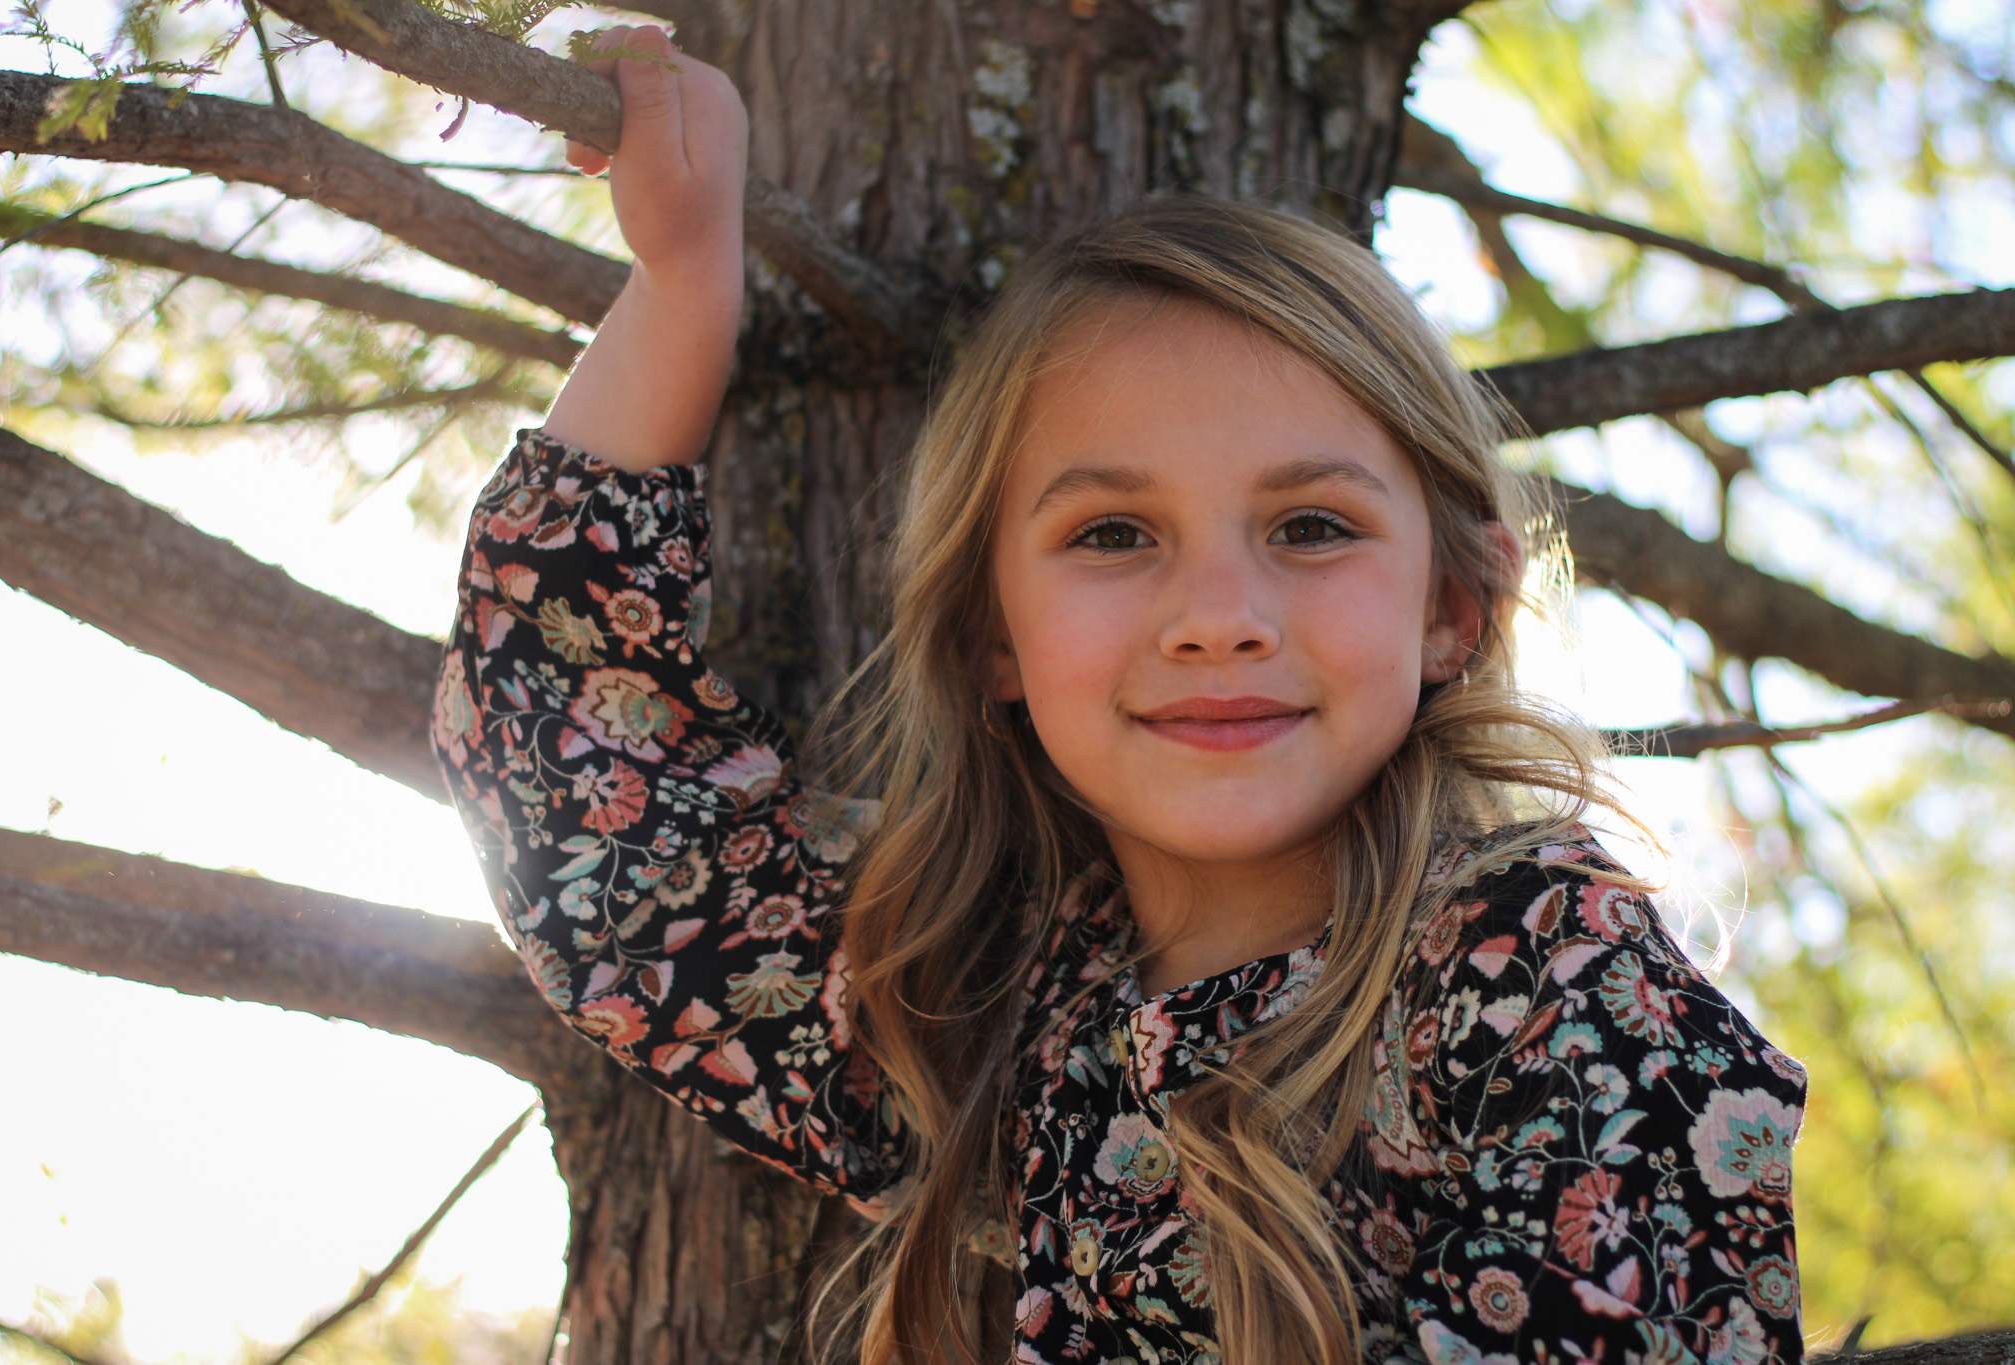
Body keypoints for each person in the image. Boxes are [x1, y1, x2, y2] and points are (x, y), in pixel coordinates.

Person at [432, 25, 1808, 1365]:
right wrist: (685, 281)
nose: (1217, 618)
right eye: (1112, 534)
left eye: (1312, 526)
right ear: (992, 632)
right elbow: (588, 806)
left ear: (1455, 607)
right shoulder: (993, 1007)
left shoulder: (1555, 980)